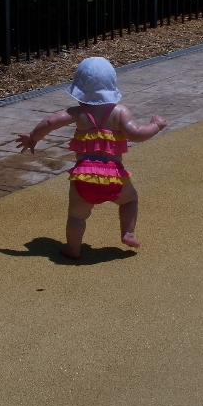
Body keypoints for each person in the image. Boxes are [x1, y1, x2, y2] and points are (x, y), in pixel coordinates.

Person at [16, 57, 167, 259]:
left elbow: (51, 121)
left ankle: (73, 248)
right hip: (114, 177)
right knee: (130, 201)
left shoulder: (78, 113)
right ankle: (127, 233)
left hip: (84, 178)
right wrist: (156, 125)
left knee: (76, 216)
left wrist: (33, 137)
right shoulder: (120, 112)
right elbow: (137, 134)